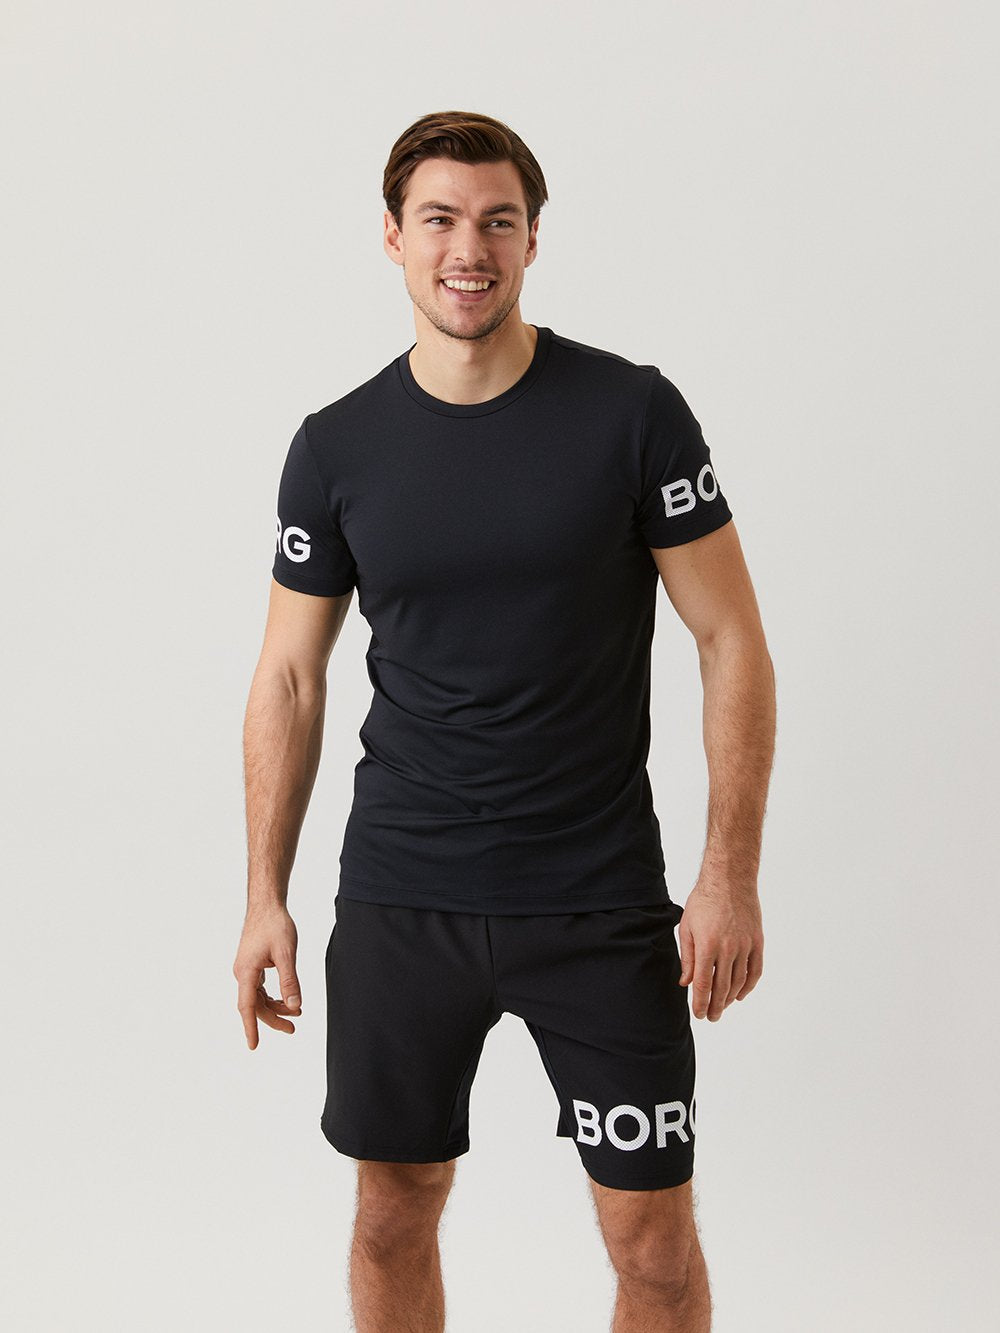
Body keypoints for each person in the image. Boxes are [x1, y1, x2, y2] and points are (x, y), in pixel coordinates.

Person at [234, 109, 775, 1333]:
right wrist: (264, 893)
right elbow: (289, 679)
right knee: (391, 1213)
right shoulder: (335, 448)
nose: (467, 249)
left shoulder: (631, 414)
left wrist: (728, 874)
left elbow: (730, 638)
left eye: (497, 221)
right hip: (403, 898)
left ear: (533, 239)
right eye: (439, 220)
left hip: (597, 899)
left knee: (653, 1247)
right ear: (392, 237)